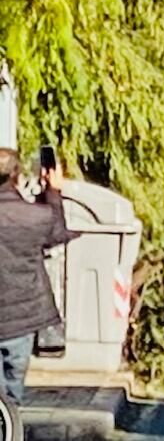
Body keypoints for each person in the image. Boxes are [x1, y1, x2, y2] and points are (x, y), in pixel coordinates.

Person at [0, 148, 76, 407]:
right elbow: (58, 232)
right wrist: (52, 192)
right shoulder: (35, 216)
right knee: (12, 390)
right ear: (17, 175)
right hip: (22, 317)